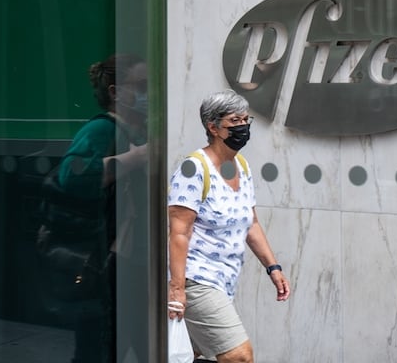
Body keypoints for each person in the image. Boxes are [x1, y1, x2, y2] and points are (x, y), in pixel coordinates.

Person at [37, 53, 148, 363]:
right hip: (107, 263)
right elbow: (71, 177)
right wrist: (135, 159)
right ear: (114, 92)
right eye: (141, 85)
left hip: (131, 262)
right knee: (98, 347)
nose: (148, 94)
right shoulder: (102, 130)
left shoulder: (141, 131)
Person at [167, 90, 290, 363]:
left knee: (188, 355)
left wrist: (273, 267)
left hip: (224, 279)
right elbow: (179, 232)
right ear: (213, 127)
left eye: (246, 119)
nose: (243, 127)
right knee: (239, 356)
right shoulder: (193, 169)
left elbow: (251, 221)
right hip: (197, 280)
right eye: (235, 121)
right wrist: (177, 289)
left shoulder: (241, 166)